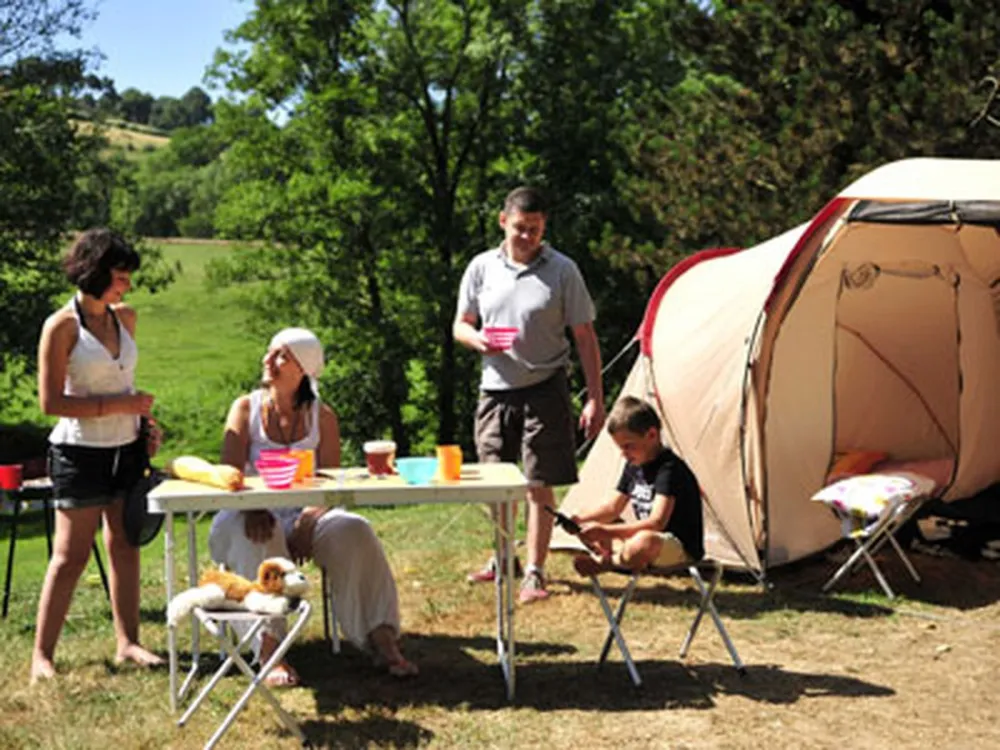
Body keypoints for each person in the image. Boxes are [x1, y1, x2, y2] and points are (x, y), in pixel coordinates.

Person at [208, 327, 417, 685]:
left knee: (355, 530)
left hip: (304, 512)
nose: (268, 361)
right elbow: (230, 478)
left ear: (303, 368)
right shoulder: (245, 409)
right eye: (270, 352)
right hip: (245, 512)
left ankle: (380, 636)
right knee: (262, 533)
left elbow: (329, 485)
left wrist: (309, 518)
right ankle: (268, 649)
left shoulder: (322, 417)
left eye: (281, 356)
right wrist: (255, 507)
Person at [454, 186, 605, 604]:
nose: (527, 237)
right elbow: (460, 325)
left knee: (538, 481)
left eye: (536, 230)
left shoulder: (562, 270)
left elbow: (585, 336)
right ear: (503, 221)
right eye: (521, 228)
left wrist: (596, 397)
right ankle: (503, 557)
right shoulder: (481, 267)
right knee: (494, 481)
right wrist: (479, 340)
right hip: (494, 389)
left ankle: (535, 571)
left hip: (546, 385)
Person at [32, 229, 163, 683]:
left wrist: (144, 424)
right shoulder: (60, 327)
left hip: (126, 450)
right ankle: (42, 657)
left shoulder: (125, 318)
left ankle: (128, 643)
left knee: (125, 544)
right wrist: (120, 407)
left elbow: (123, 384)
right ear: (94, 272)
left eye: (127, 277)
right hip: (78, 453)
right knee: (70, 556)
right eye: (119, 276)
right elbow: (50, 403)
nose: (125, 286)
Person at [570, 396, 704, 577]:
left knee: (643, 541)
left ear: (652, 435)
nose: (624, 454)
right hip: (647, 540)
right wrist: (578, 521)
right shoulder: (634, 465)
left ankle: (607, 562)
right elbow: (612, 508)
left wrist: (605, 532)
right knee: (591, 523)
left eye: (629, 446)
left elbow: (656, 523)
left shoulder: (669, 469)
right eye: (621, 448)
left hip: (675, 548)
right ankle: (621, 557)